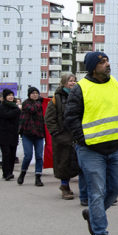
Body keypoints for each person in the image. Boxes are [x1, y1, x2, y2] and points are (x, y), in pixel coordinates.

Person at [64, 51, 118, 235]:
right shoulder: (81, 88)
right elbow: (71, 117)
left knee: (117, 187)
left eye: (108, 60)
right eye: (102, 62)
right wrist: (83, 140)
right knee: (96, 192)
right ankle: (101, 233)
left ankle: (92, 214)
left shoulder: (117, 86)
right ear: (93, 67)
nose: (107, 64)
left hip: (116, 147)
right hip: (91, 150)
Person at [45, 73, 87, 201]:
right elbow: (49, 119)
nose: (73, 83)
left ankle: (85, 190)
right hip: (63, 137)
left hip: (78, 135)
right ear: (64, 82)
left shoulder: (80, 96)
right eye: (70, 81)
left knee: (82, 164)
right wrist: (57, 134)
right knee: (64, 163)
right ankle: (65, 186)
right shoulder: (56, 98)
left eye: (74, 81)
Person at [18, 87, 46, 187]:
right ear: (29, 94)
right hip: (27, 134)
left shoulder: (41, 103)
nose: (35, 95)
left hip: (39, 134)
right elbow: (33, 109)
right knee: (28, 156)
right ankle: (23, 173)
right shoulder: (26, 103)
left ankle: (38, 177)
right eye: (33, 93)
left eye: (36, 93)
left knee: (39, 156)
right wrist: (40, 101)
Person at [0, 89, 21, 181]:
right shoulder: (2, 106)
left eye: (12, 95)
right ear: (5, 97)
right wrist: (17, 111)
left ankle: (10, 172)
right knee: (6, 154)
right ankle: (6, 173)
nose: (11, 97)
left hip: (13, 134)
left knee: (12, 155)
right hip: (4, 134)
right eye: (9, 95)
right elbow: (6, 115)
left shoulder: (15, 106)